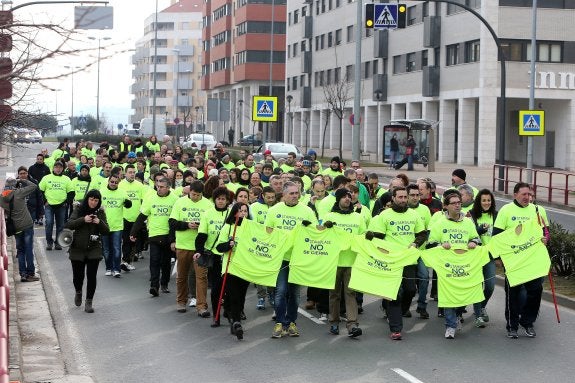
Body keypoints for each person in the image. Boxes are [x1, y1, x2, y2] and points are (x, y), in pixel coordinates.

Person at [368, 186, 426, 340]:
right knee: (394, 293)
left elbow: (422, 234)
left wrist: (415, 243)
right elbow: (379, 236)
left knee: (410, 290)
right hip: (391, 261)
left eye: (404, 197)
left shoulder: (414, 215)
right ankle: (396, 328)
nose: (403, 200)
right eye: (399, 197)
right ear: (393, 198)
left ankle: (394, 311)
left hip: (408, 260)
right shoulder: (385, 215)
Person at [492, 182, 547, 339]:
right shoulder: (506, 211)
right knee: (514, 294)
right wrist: (498, 258)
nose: (527, 197)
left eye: (529, 194)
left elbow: (546, 232)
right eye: (523, 194)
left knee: (535, 291)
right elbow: (496, 236)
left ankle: (528, 322)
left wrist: (545, 239)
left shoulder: (538, 210)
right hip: (514, 262)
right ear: (515, 194)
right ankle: (512, 325)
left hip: (533, 261)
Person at [428, 190, 483, 338]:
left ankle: (458, 314)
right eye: (454, 203)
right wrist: (441, 244)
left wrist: (472, 242)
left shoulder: (468, 222)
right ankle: (450, 325)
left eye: (459, 203)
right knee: (449, 296)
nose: (458, 205)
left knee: (464, 294)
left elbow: (477, 239)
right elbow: (430, 244)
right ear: (446, 206)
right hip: (447, 267)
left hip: (465, 266)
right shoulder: (440, 223)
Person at [265, 181, 318, 338]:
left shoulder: (307, 211)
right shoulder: (274, 211)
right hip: (280, 258)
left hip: (298, 259)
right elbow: (267, 232)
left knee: (295, 294)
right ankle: (280, 323)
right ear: (284, 195)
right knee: (281, 291)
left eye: (297, 193)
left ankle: (291, 323)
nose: (295, 196)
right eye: (292, 193)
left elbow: (315, 233)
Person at [323, 188, 365, 337]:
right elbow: (321, 235)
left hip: (352, 261)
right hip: (334, 261)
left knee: (350, 293)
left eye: (349, 196)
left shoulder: (357, 218)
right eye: (344, 197)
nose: (348, 198)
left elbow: (363, 238)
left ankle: (352, 324)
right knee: (334, 294)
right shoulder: (329, 216)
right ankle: (334, 322)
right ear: (338, 199)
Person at [169, 180, 213, 316]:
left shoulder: (208, 204)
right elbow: (172, 223)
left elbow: (211, 225)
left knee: (201, 277)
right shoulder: (180, 202)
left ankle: (201, 306)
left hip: (200, 247)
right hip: (183, 246)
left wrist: (201, 226)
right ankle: (181, 301)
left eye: (198, 195)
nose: (195, 197)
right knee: (182, 276)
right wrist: (187, 225)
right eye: (193, 194)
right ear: (189, 191)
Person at [130, 176, 179, 297]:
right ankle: (154, 286)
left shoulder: (175, 199)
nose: (159, 189)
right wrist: (133, 232)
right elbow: (142, 216)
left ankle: (164, 284)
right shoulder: (151, 198)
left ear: (168, 188)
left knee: (166, 262)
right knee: (154, 261)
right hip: (154, 234)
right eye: (157, 186)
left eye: (162, 187)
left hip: (168, 235)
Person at [65, 189, 109, 313]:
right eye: (91, 199)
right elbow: (68, 224)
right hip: (77, 248)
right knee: (78, 276)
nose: (93, 202)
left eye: (96, 200)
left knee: (91, 276)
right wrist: (83, 220)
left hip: (94, 248)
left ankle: (89, 302)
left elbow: (106, 231)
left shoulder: (100, 212)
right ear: (87, 199)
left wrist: (99, 222)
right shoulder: (79, 209)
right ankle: (78, 291)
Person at [213, 202, 251, 340]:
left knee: (241, 296)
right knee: (234, 294)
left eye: (245, 211)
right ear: (235, 212)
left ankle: (232, 314)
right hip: (230, 267)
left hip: (245, 267)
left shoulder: (251, 228)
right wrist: (228, 245)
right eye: (240, 211)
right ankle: (236, 322)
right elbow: (219, 247)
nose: (243, 213)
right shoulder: (228, 228)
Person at [1, 177, 39, 282]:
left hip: (15, 227)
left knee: (20, 251)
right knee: (28, 250)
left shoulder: (2, 198)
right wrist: (22, 180)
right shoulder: (19, 193)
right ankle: (30, 273)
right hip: (27, 225)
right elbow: (34, 186)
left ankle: (23, 274)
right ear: (15, 185)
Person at [469, 188, 498, 323]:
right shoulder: (472, 215)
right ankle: (478, 315)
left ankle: (481, 307)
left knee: (490, 286)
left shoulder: (496, 215)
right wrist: (480, 229)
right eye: (483, 200)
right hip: (475, 256)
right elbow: (469, 234)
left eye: (488, 200)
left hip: (490, 256)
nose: (486, 203)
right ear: (478, 202)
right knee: (477, 286)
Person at [39, 160, 73, 250]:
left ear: (63, 169)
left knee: (60, 225)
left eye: (60, 167)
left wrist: (66, 202)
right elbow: (40, 191)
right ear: (53, 168)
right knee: (49, 223)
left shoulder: (66, 179)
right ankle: (49, 242)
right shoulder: (46, 178)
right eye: (56, 167)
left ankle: (58, 243)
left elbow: (71, 192)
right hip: (49, 205)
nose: (58, 169)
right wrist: (44, 201)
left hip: (62, 206)